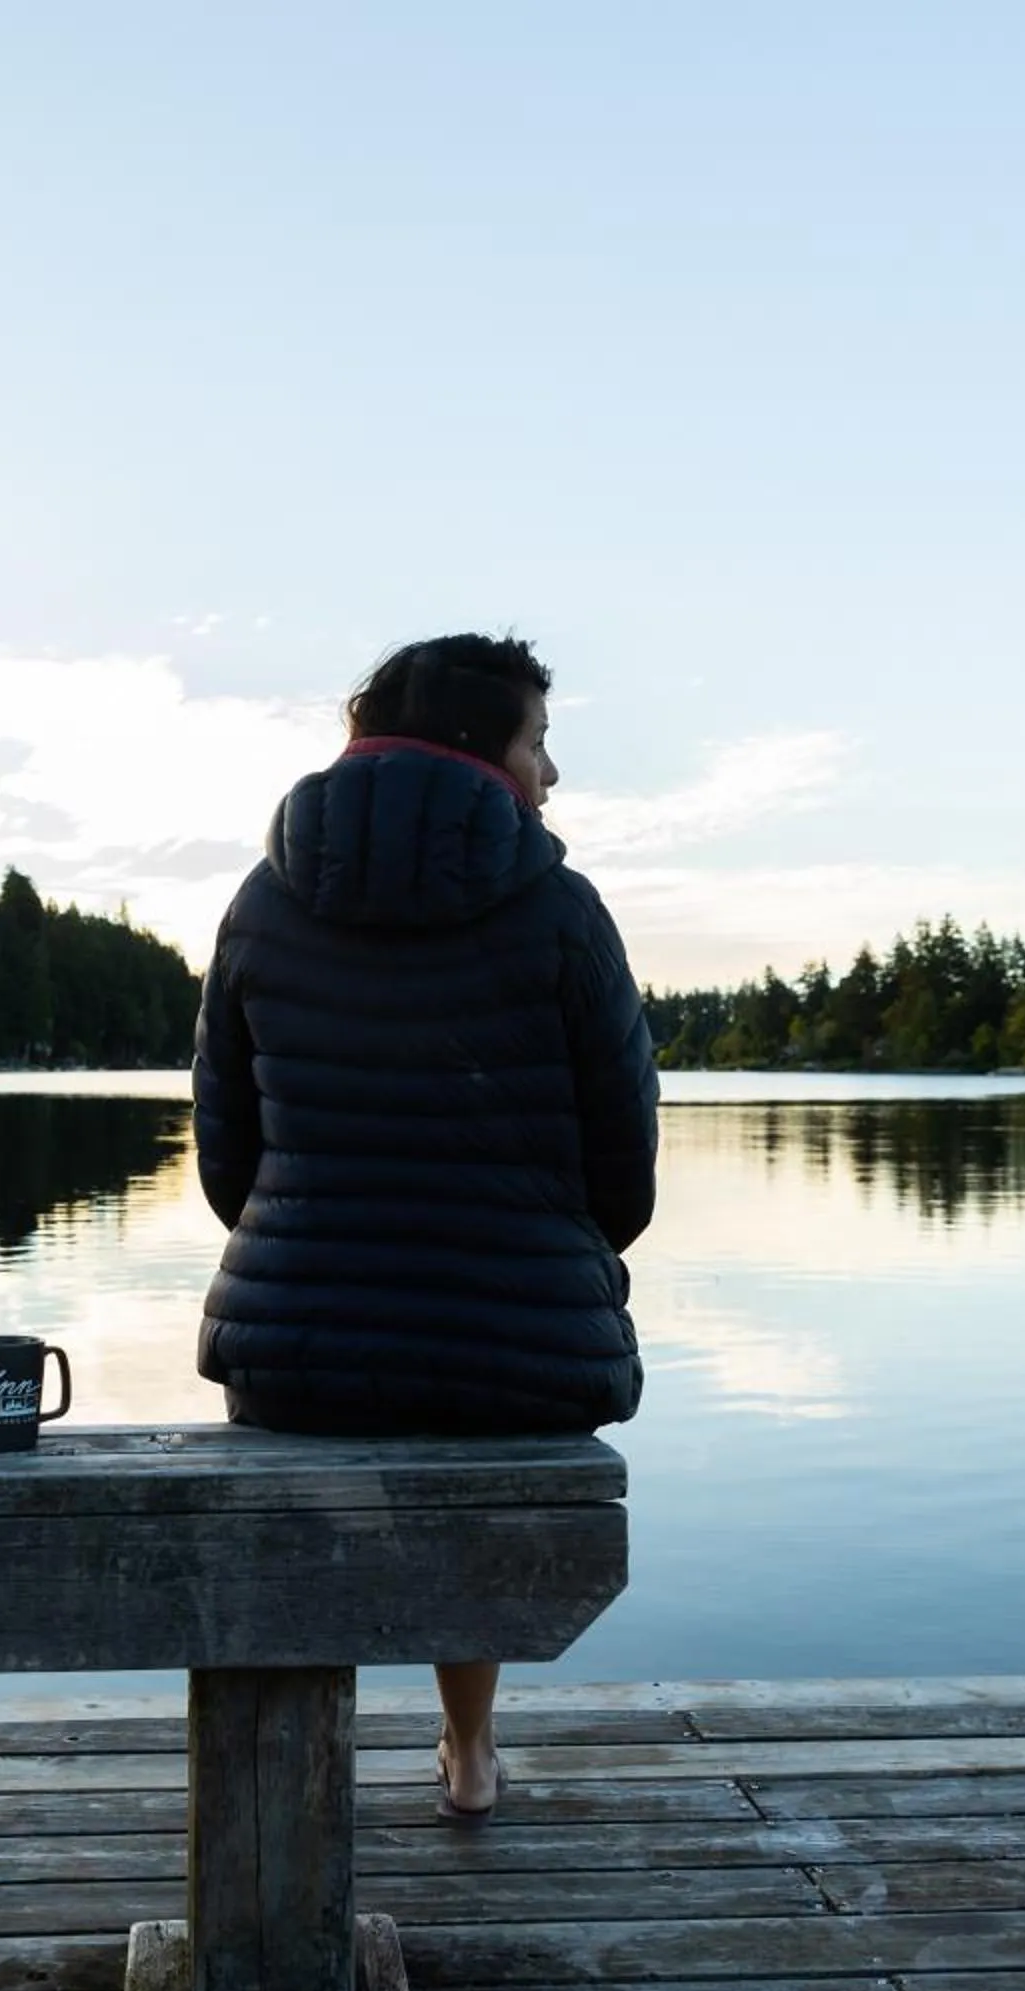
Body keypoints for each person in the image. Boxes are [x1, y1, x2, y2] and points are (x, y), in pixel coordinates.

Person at [189, 632, 660, 1821]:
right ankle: (469, 1750)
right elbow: (627, 1162)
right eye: (539, 742)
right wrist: (546, 1252)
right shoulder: (559, 907)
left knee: (313, 1480)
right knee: (480, 1426)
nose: (551, 775)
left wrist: (305, 1241)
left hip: (297, 1350)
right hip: (520, 1354)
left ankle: (296, 1771)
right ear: (479, 748)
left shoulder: (261, 900)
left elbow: (224, 1150)